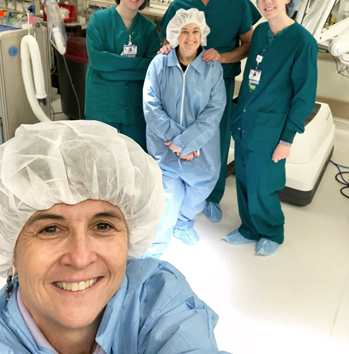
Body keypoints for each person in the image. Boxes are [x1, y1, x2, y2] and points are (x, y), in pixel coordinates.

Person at [0, 120, 231, 354]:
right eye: (50, 229)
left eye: (102, 225)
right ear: (12, 252)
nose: (80, 258)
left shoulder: (156, 296)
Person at [160, 0, 261, 222]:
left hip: (221, 83)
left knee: (216, 138)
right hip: (181, 86)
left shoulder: (237, 3)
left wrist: (224, 57)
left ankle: (211, 196)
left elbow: (248, 43)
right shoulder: (180, 5)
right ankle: (180, 190)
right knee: (181, 134)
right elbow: (167, 43)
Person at [225, 0, 318, 256]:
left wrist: (287, 139)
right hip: (247, 120)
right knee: (242, 176)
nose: (267, 1)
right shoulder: (262, 32)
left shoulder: (302, 42)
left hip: (272, 126)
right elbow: (254, 78)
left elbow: (303, 96)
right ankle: (249, 228)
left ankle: (271, 232)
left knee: (263, 183)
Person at [143, 8, 226, 257]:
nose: (190, 37)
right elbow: (151, 105)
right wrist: (176, 141)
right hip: (165, 147)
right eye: (184, 31)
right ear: (173, 35)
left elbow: (214, 109)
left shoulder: (212, 68)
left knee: (201, 189)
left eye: (195, 31)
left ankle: (184, 221)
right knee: (168, 197)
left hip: (201, 150)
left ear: (203, 34)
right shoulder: (159, 63)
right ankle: (156, 247)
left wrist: (188, 143)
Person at [85, 0, 160, 151]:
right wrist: (137, 64)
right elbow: (99, 62)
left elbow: (150, 68)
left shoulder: (149, 29)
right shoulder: (99, 20)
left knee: (133, 158)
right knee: (102, 157)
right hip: (103, 105)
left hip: (134, 106)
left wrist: (113, 67)